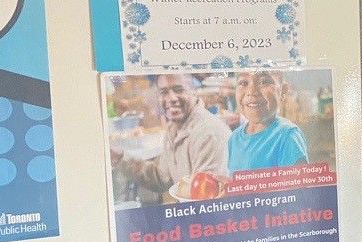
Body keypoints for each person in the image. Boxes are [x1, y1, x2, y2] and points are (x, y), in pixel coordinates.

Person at [112, 73, 230, 203]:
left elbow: (208, 201)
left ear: (194, 92)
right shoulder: (175, 127)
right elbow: (161, 177)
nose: (171, 98)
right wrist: (120, 158)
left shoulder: (209, 134)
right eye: (164, 92)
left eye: (179, 90)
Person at [227, 70, 309, 173]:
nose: (252, 92)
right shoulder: (234, 138)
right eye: (243, 83)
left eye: (263, 82)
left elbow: (299, 187)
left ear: (283, 91)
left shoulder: (288, 136)